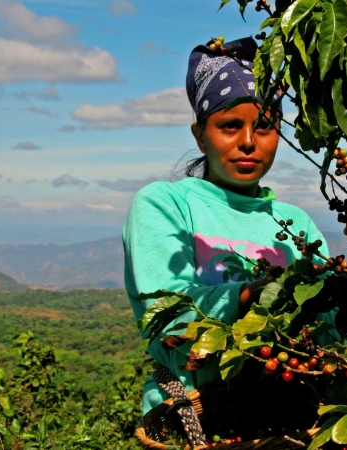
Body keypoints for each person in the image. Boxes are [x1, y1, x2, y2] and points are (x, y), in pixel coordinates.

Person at [123, 37, 333, 416]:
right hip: (195, 417)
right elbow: (172, 321)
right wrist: (258, 293)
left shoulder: (297, 224)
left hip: (290, 415)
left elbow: (329, 333)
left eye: (265, 126)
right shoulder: (165, 205)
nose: (249, 142)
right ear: (201, 135)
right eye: (230, 126)